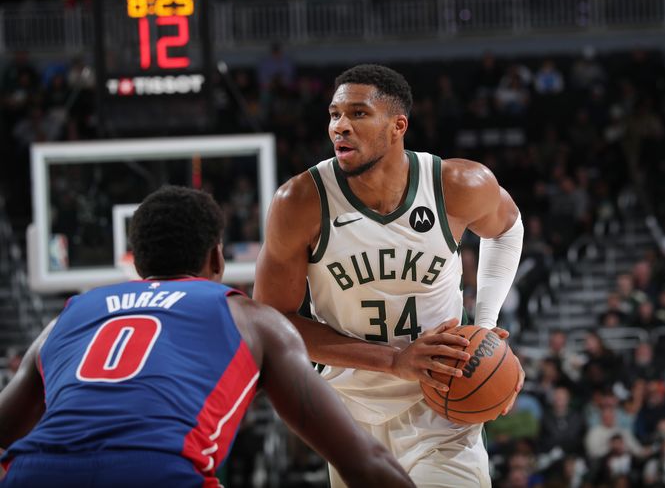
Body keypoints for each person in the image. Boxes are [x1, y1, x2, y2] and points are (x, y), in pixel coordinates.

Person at [0, 185, 413, 488]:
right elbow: (362, 461)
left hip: (33, 472)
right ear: (217, 257)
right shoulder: (251, 318)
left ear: (137, 261)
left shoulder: (67, 318)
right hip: (157, 472)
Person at [254, 63, 525, 487]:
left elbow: (508, 228)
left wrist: (486, 327)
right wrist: (393, 361)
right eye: (334, 115)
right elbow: (273, 323)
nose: (340, 126)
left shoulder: (456, 184)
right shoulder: (300, 202)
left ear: (398, 125)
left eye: (358, 113)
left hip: (442, 405)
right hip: (350, 418)